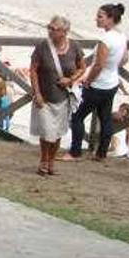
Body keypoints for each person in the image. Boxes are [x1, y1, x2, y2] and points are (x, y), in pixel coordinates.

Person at [62, 3, 128, 161]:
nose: (96, 19)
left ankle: (75, 151)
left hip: (98, 84)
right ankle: (102, 152)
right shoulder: (121, 36)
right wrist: (113, 66)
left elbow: (98, 65)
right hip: (112, 82)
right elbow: (125, 59)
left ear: (110, 19)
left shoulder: (105, 39)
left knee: (77, 116)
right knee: (105, 117)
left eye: (100, 16)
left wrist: (88, 80)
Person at [29, 16, 86, 176]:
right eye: (49, 27)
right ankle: (44, 160)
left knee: (58, 132)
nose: (50, 31)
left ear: (64, 32)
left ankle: (51, 162)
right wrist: (37, 93)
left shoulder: (74, 46)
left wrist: (71, 79)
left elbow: (82, 67)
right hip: (45, 97)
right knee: (47, 131)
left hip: (63, 97)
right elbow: (33, 69)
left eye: (54, 29)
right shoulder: (42, 47)